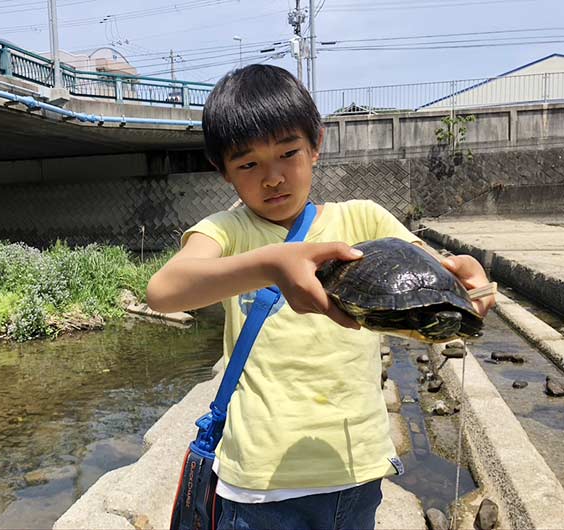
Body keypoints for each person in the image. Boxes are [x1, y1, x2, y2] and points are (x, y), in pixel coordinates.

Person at [147, 64, 494, 530]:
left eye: (288, 153)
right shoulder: (227, 231)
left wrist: (466, 281)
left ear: (316, 147)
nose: (272, 177)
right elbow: (164, 290)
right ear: (223, 172)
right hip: (260, 483)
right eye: (248, 163)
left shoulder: (362, 219)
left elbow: (431, 270)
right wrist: (271, 263)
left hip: (355, 472)